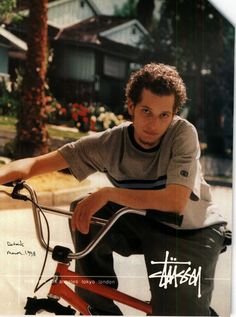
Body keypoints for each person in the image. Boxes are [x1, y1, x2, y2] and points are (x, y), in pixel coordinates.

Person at [0, 63, 228, 316]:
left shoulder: (183, 134)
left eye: (164, 115)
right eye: (146, 111)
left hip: (191, 231)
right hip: (145, 221)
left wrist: (109, 194)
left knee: (174, 311)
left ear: (175, 114)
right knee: (84, 209)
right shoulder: (110, 143)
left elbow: (175, 201)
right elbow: (34, 164)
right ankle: (98, 307)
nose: (154, 124)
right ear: (130, 106)